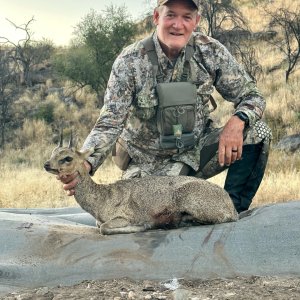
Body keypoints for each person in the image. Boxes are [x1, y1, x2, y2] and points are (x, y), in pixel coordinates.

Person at [59, 0, 272, 214]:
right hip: (147, 165)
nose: (177, 25)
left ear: (196, 21)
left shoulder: (211, 52)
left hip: (196, 154)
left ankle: (231, 211)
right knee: (139, 218)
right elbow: (109, 123)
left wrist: (237, 121)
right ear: (156, 17)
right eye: (170, 15)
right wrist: (85, 164)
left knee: (259, 132)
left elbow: (253, 96)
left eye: (186, 17)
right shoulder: (130, 61)